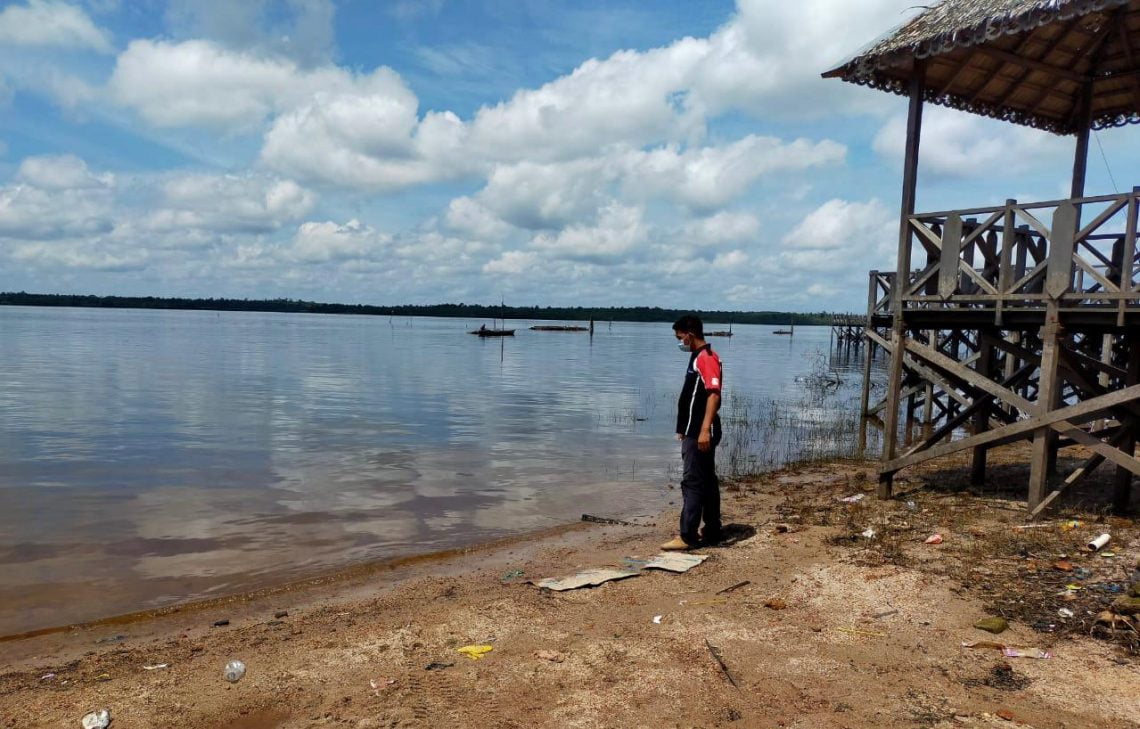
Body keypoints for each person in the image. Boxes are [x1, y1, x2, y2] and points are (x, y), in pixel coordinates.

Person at [662, 314, 723, 550]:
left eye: (679, 337)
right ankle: (712, 528)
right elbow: (691, 397)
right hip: (693, 429)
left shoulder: (706, 358)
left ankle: (687, 536)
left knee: (693, 481)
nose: (679, 342)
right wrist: (682, 429)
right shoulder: (698, 357)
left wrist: (704, 430)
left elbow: (713, 394)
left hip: (700, 431)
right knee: (706, 479)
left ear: (690, 334)